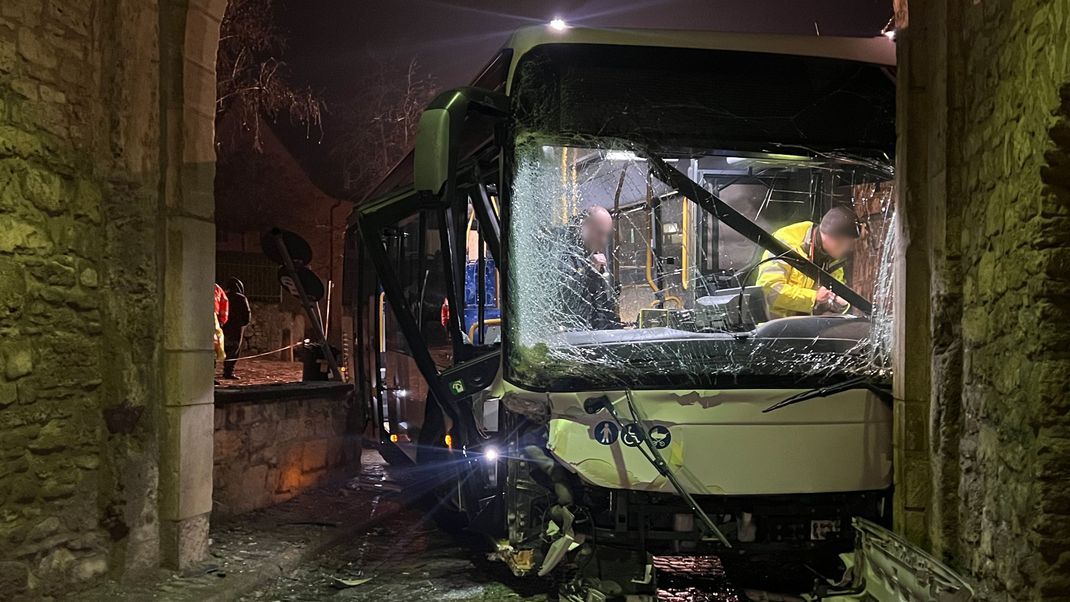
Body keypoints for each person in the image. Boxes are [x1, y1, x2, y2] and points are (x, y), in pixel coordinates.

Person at [755, 205, 861, 319]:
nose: (849, 249)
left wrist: (840, 303)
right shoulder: (786, 243)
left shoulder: (832, 258)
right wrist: (813, 297)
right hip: (772, 328)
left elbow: (831, 301)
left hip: (807, 327)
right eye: (848, 244)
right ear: (835, 240)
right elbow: (770, 291)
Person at [560, 205, 620, 330]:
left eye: (606, 235)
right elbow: (564, 299)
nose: (603, 240)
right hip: (572, 335)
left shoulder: (591, 254)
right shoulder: (561, 249)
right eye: (599, 233)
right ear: (583, 226)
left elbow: (598, 303)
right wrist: (589, 271)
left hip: (593, 333)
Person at [221, 277, 251, 379]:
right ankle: (228, 372)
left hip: (223, 326)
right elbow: (247, 314)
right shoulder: (241, 298)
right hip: (236, 328)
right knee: (234, 350)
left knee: (219, 348)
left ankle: (211, 373)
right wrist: (243, 323)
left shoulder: (223, 296)